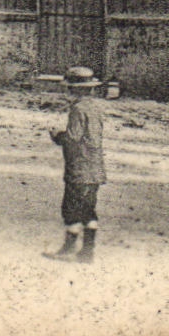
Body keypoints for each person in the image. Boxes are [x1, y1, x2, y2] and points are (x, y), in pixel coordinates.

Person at [46, 66, 106, 263]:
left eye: (70, 89)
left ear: (76, 90)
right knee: (89, 209)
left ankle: (68, 249)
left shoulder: (78, 109)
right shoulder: (96, 108)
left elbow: (73, 138)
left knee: (71, 209)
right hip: (95, 168)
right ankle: (88, 252)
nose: (68, 92)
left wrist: (57, 135)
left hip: (78, 167)